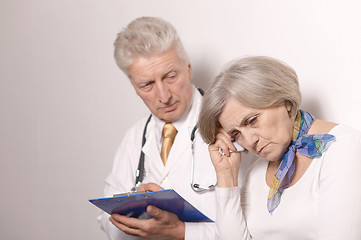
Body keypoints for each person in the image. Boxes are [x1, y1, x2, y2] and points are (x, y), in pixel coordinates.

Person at [97, 16, 253, 240]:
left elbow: (255, 226)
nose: (163, 96)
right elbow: (107, 222)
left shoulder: (231, 128)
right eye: (147, 85)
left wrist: (182, 232)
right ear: (134, 87)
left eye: (170, 77)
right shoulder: (135, 137)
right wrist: (135, 210)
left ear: (188, 69)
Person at [197, 56, 361, 240]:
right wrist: (226, 175)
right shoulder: (255, 173)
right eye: (236, 134)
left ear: (285, 102)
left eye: (252, 120)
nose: (250, 141)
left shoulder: (343, 147)